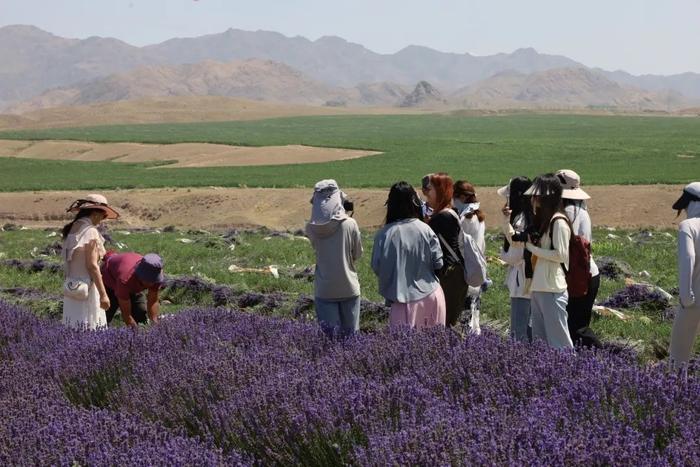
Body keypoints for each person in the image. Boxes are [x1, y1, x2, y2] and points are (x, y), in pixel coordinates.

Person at [372, 181, 446, 328]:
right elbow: (439, 263)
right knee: (437, 348)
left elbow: (377, 267)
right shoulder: (425, 229)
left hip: (401, 302)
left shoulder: (384, 234)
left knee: (403, 349)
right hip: (432, 295)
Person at [305, 179, 363, 337]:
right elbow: (357, 254)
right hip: (348, 286)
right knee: (351, 340)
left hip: (324, 290)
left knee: (330, 342)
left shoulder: (311, 228)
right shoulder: (350, 224)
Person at [523, 174, 574, 349]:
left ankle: (569, 373)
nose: (533, 199)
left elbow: (561, 255)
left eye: (536, 196)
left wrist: (532, 249)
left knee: (559, 342)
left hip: (552, 288)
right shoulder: (546, 221)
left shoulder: (558, 222)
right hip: (540, 287)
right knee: (540, 343)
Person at [557, 169, 602, 348]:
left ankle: (600, 356)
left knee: (576, 326)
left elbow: (565, 244)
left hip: (579, 274)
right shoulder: (580, 209)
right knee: (576, 324)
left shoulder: (569, 212)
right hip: (587, 272)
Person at [61, 194, 119, 330]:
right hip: (87, 288)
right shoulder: (90, 231)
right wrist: (104, 295)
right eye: (104, 215)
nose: (103, 220)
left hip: (71, 286)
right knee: (91, 325)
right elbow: (92, 266)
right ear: (95, 213)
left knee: (72, 325)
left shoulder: (72, 229)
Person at [425, 173, 469, 327]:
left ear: (440, 190)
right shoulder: (449, 213)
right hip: (453, 273)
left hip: (449, 275)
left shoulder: (443, 217)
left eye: (429, 189)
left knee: (445, 323)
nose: (425, 193)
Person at [498, 177, 534, 342]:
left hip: (522, 282)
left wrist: (502, 254)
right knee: (529, 328)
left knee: (519, 331)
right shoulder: (530, 216)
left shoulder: (520, 221)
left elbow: (514, 256)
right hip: (529, 280)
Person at [669, 182, 700, 369]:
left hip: (693, 300)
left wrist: (685, 296)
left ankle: (677, 393)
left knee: (678, 355)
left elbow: (688, 259)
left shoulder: (688, 226)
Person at [453, 180, 487, 334]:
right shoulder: (479, 218)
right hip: (477, 269)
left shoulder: (465, 220)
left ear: (461, 197)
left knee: (465, 318)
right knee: (475, 313)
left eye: (455, 197)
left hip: (466, 271)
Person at [101, 252, 164, 327]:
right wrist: (135, 332)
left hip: (131, 284)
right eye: (148, 281)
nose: (151, 284)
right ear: (141, 276)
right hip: (110, 280)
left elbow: (153, 301)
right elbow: (127, 315)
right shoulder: (125, 279)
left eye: (153, 281)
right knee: (104, 317)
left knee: (140, 315)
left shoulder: (156, 275)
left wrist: (155, 323)